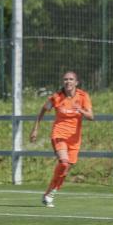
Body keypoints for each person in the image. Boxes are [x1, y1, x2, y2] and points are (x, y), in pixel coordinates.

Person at [29, 71, 94, 208]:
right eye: (65, 79)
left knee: (65, 169)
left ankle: (50, 192)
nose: (68, 82)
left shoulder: (83, 96)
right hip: (59, 134)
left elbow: (91, 116)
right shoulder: (56, 97)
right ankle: (50, 194)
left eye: (71, 79)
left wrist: (80, 110)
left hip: (74, 138)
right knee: (63, 163)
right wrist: (35, 128)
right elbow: (43, 110)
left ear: (76, 82)